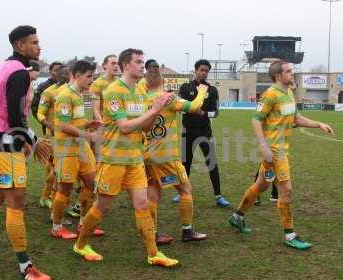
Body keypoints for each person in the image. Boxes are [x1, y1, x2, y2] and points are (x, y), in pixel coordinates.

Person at [73, 48, 179, 267]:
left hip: (135, 159)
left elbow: (145, 126)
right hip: (113, 160)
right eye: (138, 62)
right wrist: (154, 108)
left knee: (142, 205)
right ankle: (81, 245)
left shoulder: (140, 92)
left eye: (142, 62)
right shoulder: (114, 90)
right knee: (102, 206)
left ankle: (153, 253)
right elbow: (125, 127)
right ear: (126, 65)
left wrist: (158, 110)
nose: (143, 66)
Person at [0, 25, 52, 280]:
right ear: (20, 46)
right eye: (34, 42)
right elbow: (15, 116)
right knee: (16, 203)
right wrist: (34, 140)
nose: (39, 47)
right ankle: (25, 266)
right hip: (5, 144)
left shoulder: (8, 66)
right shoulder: (18, 72)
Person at [229, 60, 334, 250]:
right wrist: (263, 146)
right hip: (274, 151)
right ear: (278, 75)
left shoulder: (289, 93)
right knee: (286, 190)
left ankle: (237, 216)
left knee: (261, 185)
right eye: (288, 71)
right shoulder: (270, 94)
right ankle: (290, 235)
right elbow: (256, 119)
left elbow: (296, 118)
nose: (292, 74)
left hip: (281, 149)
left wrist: (318, 124)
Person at [143, 65, 208, 245]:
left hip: (147, 154)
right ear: (162, 81)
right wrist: (201, 91)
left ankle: (153, 233)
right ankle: (187, 231)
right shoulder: (168, 98)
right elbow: (194, 107)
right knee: (186, 191)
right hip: (166, 156)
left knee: (153, 194)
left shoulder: (142, 100)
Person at [50, 60, 102, 240]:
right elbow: (63, 126)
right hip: (66, 150)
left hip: (82, 148)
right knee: (64, 190)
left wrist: (88, 124)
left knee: (91, 185)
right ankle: (57, 227)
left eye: (93, 76)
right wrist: (88, 135)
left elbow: (74, 121)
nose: (92, 79)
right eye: (89, 76)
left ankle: (83, 224)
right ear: (77, 75)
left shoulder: (82, 95)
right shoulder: (65, 96)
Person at [174, 59, 230, 208]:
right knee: (185, 163)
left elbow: (215, 113)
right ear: (195, 70)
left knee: (212, 164)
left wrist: (203, 113)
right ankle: (181, 193)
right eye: (201, 70)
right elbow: (180, 108)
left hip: (205, 132)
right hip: (188, 131)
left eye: (206, 71)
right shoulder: (186, 88)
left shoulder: (212, 90)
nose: (204, 73)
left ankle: (218, 196)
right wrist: (191, 109)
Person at [37, 65, 70, 209]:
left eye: (69, 74)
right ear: (57, 75)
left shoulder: (74, 91)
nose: (67, 77)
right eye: (65, 74)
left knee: (58, 168)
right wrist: (48, 124)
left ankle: (47, 196)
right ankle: (50, 197)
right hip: (53, 137)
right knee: (56, 168)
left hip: (71, 136)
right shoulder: (49, 92)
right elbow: (40, 113)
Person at [31, 61, 63, 134]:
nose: (58, 73)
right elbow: (35, 107)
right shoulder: (43, 87)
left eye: (60, 70)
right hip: (49, 127)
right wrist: (45, 122)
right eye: (56, 70)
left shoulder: (68, 87)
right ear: (50, 72)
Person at [90, 54, 119, 122]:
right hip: (105, 125)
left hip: (119, 124)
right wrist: (102, 126)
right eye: (113, 63)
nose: (116, 66)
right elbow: (95, 110)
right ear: (104, 65)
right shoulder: (96, 84)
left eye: (117, 63)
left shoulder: (120, 83)